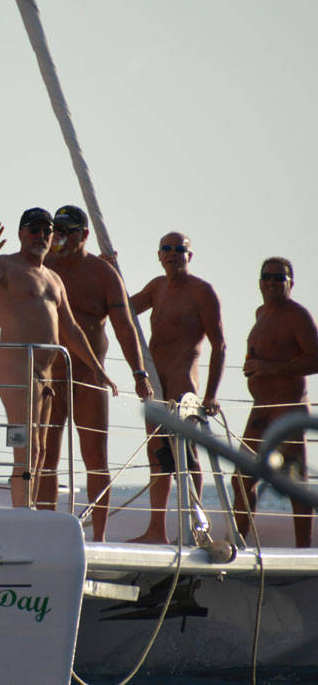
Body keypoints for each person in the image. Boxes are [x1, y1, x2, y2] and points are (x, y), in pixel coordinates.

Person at [0, 208, 117, 508]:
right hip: (16, 369)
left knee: (41, 451)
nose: (41, 236)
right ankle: (22, 513)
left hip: (46, 374)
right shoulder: (5, 265)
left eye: (47, 231)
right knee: (27, 447)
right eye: (34, 230)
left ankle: (28, 507)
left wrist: (96, 368)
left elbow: (71, 329)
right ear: (21, 233)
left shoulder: (54, 278)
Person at [37, 206, 154, 541]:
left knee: (95, 457)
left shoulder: (102, 274)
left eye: (68, 231)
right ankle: (45, 530)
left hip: (90, 376)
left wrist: (139, 372)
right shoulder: (43, 267)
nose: (60, 237)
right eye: (56, 230)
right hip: (50, 374)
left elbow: (124, 326)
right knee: (45, 456)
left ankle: (99, 536)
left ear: (84, 235)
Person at [126, 232, 225, 544]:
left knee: (186, 455)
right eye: (166, 249)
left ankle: (194, 528)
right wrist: (110, 271)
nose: (172, 254)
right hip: (155, 383)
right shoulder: (156, 287)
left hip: (184, 384)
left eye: (179, 250)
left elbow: (219, 345)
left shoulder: (201, 291)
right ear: (159, 255)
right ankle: (156, 530)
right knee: (158, 455)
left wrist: (211, 394)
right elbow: (124, 309)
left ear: (189, 256)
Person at [232, 258, 317, 547]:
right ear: (259, 282)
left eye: (279, 278)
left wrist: (271, 369)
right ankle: (238, 543)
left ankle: (303, 550)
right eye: (267, 277)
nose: (271, 282)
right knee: (241, 478)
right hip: (261, 407)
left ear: (291, 283)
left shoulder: (297, 316)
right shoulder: (261, 313)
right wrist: (255, 368)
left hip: (287, 407)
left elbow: (315, 359)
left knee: (293, 481)